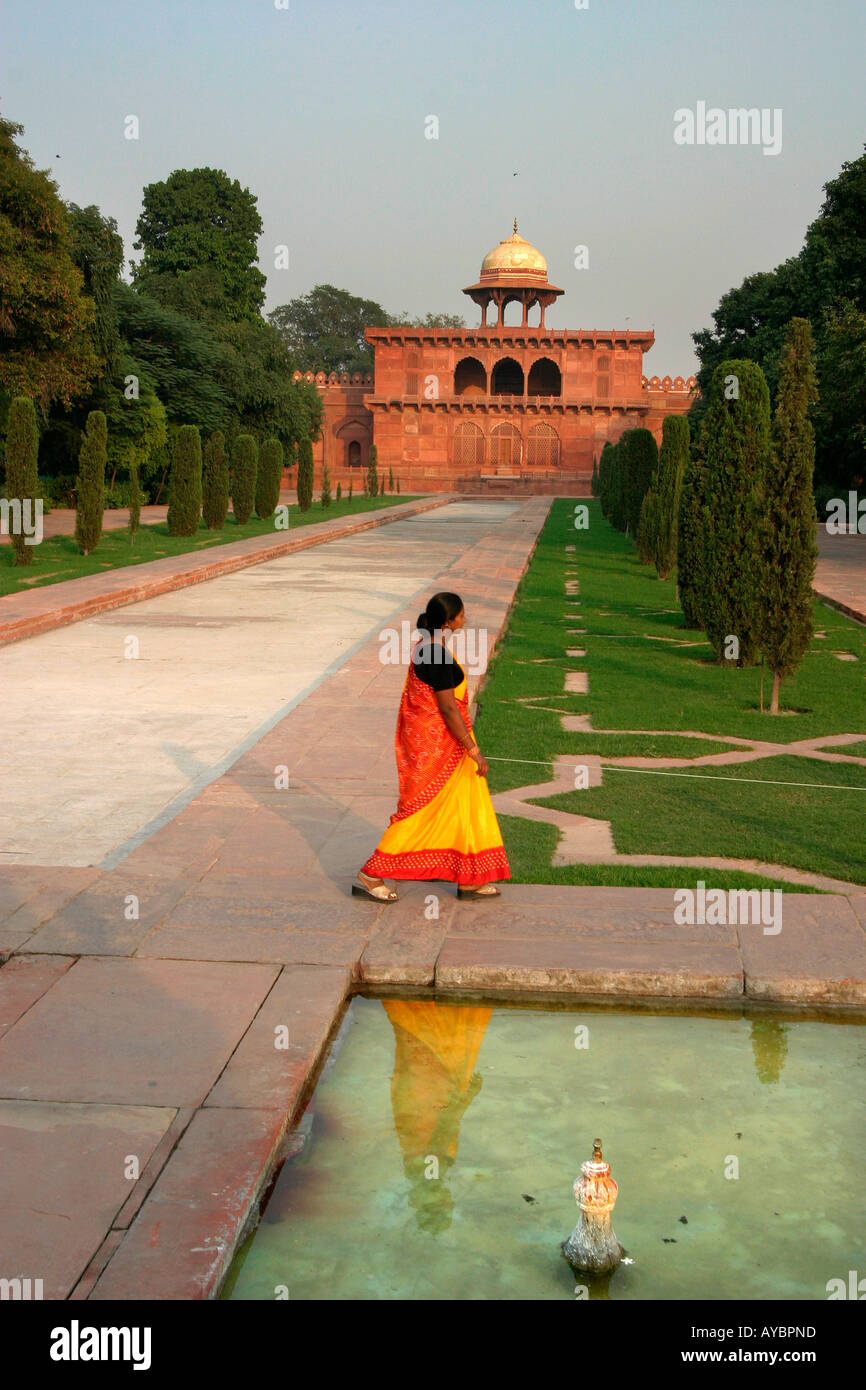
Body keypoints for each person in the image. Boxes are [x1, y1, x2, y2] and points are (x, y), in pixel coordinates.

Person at [353, 591, 510, 902]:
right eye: (462, 615)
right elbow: (448, 709)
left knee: (464, 807)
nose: (465, 620)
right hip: (441, 748)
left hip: (449, 744)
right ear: (449, 621)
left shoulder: (429, 647)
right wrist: (473, 749)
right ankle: (370, 875)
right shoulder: (435, 654)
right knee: (419, 812)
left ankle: (469, 878)